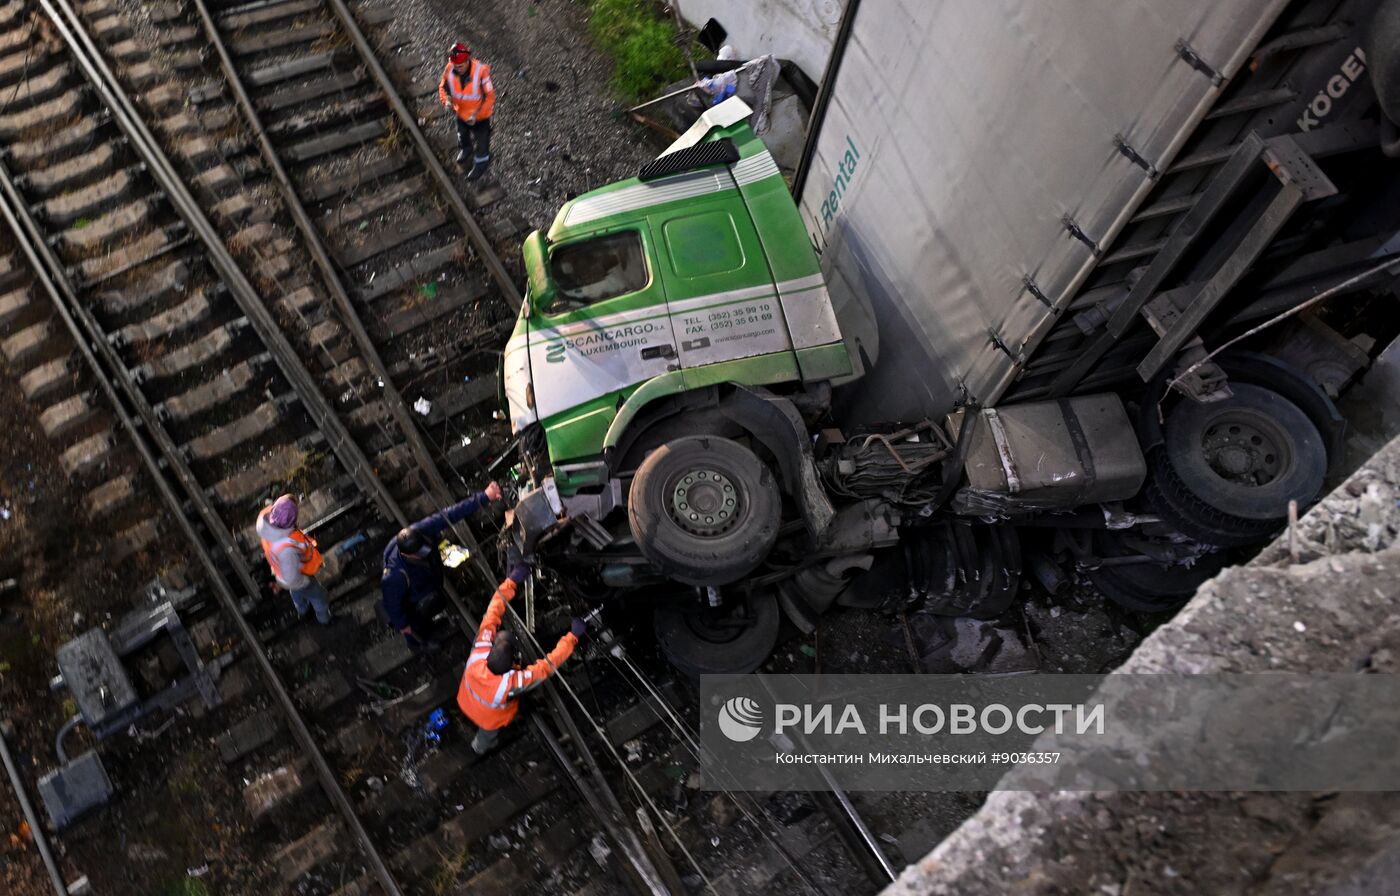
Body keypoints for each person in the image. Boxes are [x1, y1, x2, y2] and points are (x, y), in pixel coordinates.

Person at [457, 559, 585, 753]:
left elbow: (492, 613)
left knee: (487, 719)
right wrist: (572, 637)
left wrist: (512, 581)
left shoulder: (479, 651)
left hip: (465, 699)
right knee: (488, 732)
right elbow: (546, 667)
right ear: (510, 667)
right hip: (489, 718)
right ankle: (479, 747)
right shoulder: (509, 684)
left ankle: (478, 747)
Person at [381, 482, 502, 648]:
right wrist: (403, 625)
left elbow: (448, 515)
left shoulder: (419, 531)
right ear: (408, 554)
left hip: (430, 580)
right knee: (415, 625)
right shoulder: (394, 576)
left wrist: (484, 496)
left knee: (436, 601)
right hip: (416, 599)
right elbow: (392, 604)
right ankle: (420, 645)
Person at [256, 494, 330, 625]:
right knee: (319, 599)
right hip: (298, 576)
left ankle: (303, 610)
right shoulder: (286, 550)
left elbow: (282, 504)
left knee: (296, 594)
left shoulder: (265, 521)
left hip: (282, 570)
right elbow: (292, 580)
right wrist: (306, 581)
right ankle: (325, 620)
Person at [438, 41, 495, 181]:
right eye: (455, 66)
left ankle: (481, 163)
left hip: (480, 117)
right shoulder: (450, 68)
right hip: (461, 112)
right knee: (462, 134)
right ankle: (466, 149)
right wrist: (446, 100)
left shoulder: (481, 72)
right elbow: (443, 87)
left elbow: (490, 97)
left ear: (467, 60)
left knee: (482, 141)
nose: (457, 69)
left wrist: (477, 115)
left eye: (460, 66)